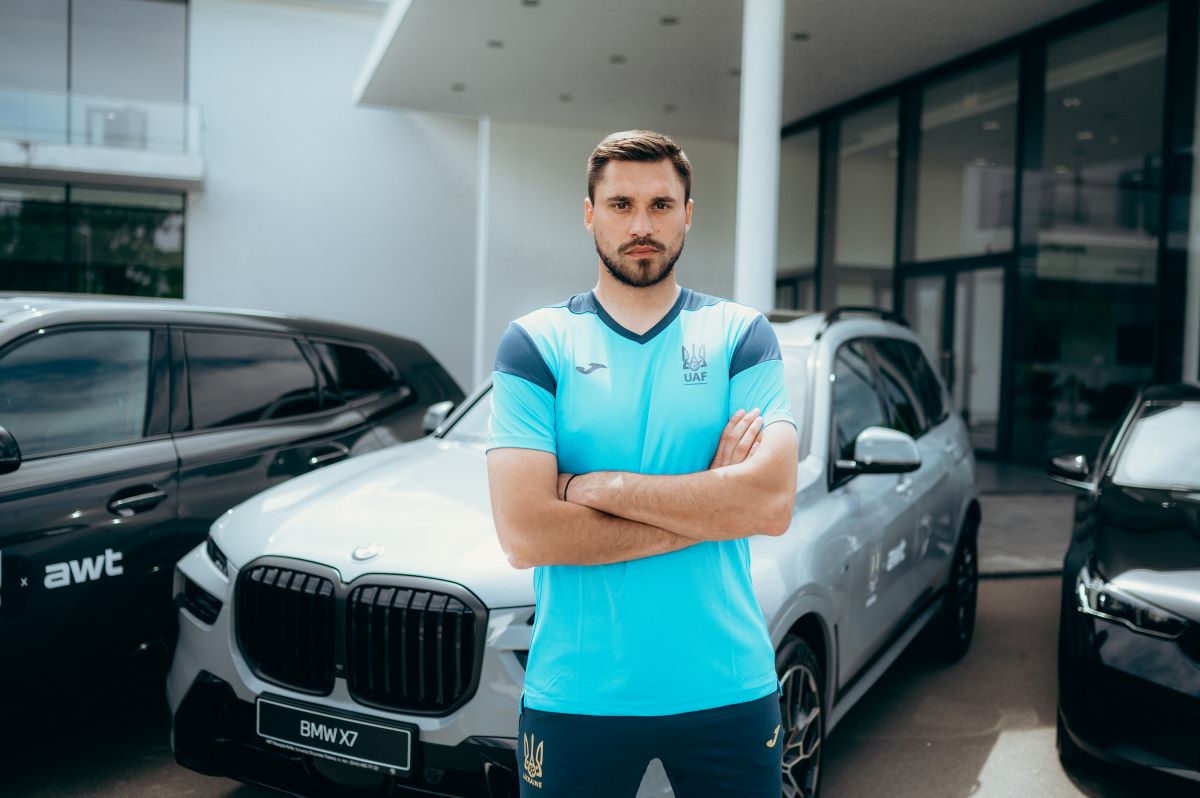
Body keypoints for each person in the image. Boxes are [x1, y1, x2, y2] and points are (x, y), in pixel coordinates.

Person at [486, 129, 799, 798]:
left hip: (727, 684)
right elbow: (527, 534)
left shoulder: (741, 335)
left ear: (688, 215)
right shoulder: (537, 343)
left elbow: (771, 505)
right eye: (621, 204)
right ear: (589, 214)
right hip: (578, 692)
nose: (641, 226)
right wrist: (714, 504)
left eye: (661, 205)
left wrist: (600, 487)